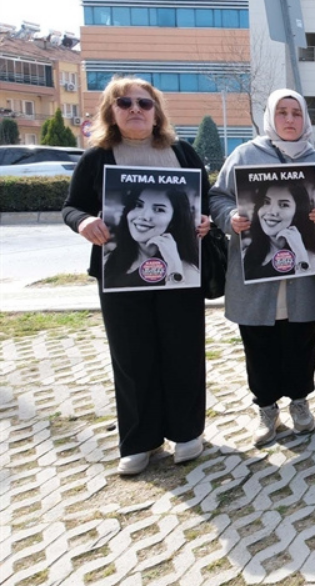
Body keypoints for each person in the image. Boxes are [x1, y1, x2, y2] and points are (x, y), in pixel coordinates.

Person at [63, 76, 211, 476]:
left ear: (156, 111)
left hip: (177, 275)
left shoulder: (182, 152)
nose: (135, 110)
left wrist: (203, 223)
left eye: (144, 104)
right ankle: (139, 439)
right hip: (119, 275)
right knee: (131, 356)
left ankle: (186, 432)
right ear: (111, 111)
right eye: (124, 103)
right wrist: (84, 222)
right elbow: (72, 207)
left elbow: (205, 202)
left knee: (182, 350)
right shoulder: (98, 157)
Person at [211, 88, 315, 446]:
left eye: (296, 113)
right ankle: (266, 408)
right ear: (270, 117)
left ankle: (299, 402)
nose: (290, 120)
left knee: (301, 340)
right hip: (256, 277)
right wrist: (228, 216)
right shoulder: (245, 155)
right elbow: (217, 195)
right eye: (282, 113)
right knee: (259, 343)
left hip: (304, 275)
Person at [103, 185, 202, 289]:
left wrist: (174, 268)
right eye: (138, 205)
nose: (144, 216)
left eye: (159, 209)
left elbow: (179, 302)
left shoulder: (186, 271)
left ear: (174, 220)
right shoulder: (109, 261)